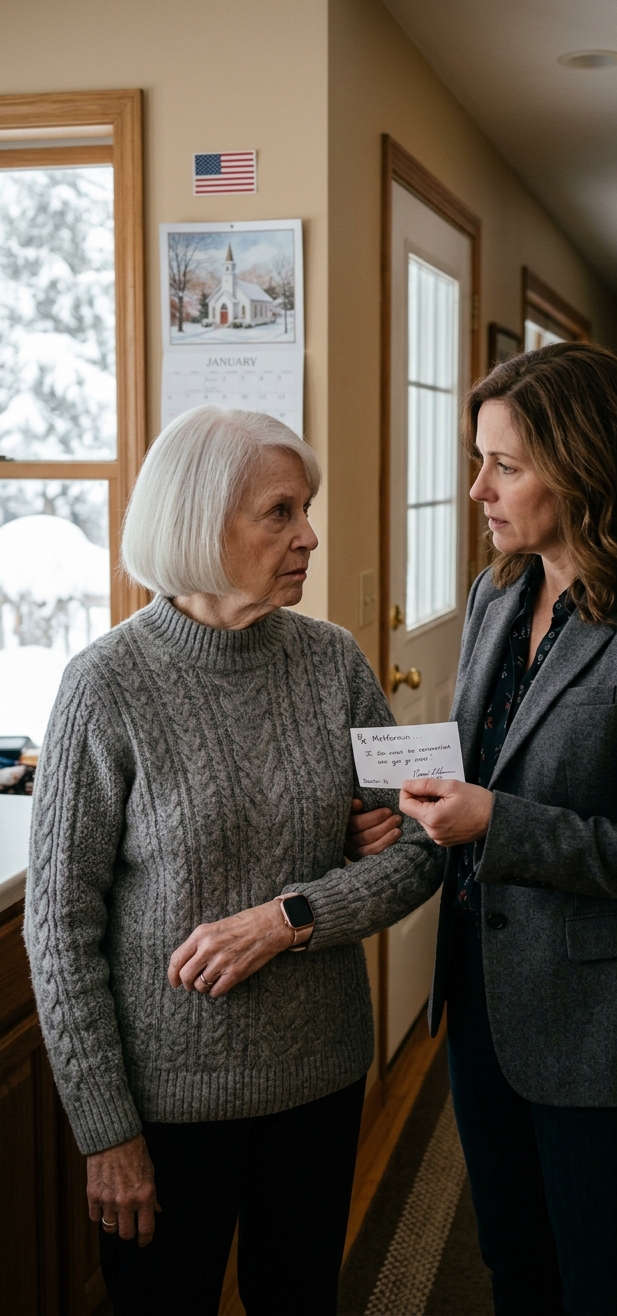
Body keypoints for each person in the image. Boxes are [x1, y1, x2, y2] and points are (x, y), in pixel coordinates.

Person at [24, 406, 442, 1316]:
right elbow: (59, 929)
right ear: (200, 522)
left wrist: (290, 918)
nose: (310, 536)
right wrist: (106, 1133)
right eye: (281, 512)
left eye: (307, 509)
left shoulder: (333, 662)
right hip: (166, 1109)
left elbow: (422, 845)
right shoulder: (105, 685)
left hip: (322, 1081)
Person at [397, 342, 617, 1316]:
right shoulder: (498, 591)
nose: (477, 489)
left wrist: (496, 820)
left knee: (607, 1283)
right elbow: (482, 760)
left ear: (585, 466)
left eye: (505, 464)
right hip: (483, 998)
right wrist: (406, 805)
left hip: (606, 1025)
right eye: (478, 459)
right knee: (515, 1262)